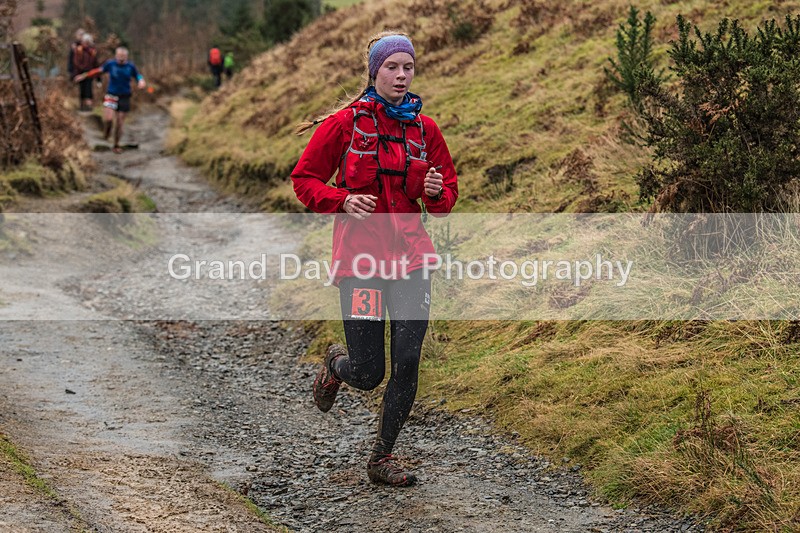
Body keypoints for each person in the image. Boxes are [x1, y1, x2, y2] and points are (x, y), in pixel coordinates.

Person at [291, 32, 458, 486]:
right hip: (361, 262)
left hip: (412, 261)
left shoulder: (425, 131)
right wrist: (341, 200)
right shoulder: (345, 125)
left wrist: (437, 193)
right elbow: (304, 179)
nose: (402, 75)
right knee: (368, 372)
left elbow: (446, 198)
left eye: (408, 67)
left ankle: (382, 457)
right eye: (393, 67)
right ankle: (336, 366)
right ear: (374, 70)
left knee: (407, 360)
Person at [73, 47, 146, 154]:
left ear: (126, 56)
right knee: (109, 119)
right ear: (116, 55)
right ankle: (106, 134)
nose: (121, 58)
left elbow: (138, 75)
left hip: (124, 96)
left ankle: (116, 145)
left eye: (123, 56)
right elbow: (98, 71)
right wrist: (84, 75)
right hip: (111, 95)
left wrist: (141, 81)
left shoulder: (130, 66)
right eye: (119, 56)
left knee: (120, 122)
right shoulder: (110, 64)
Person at [69, 33, 99, 111]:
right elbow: (75, 63)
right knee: (81, 89)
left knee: (88, 89)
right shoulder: (78, 50)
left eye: (87, 42)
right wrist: (75, 74)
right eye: (84, 42)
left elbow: (96, 64)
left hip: (90, 73)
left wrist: (97, 76)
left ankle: (89, 105)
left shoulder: (93, 51)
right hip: (79, 73)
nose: (85, 44)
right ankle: (81, 106)